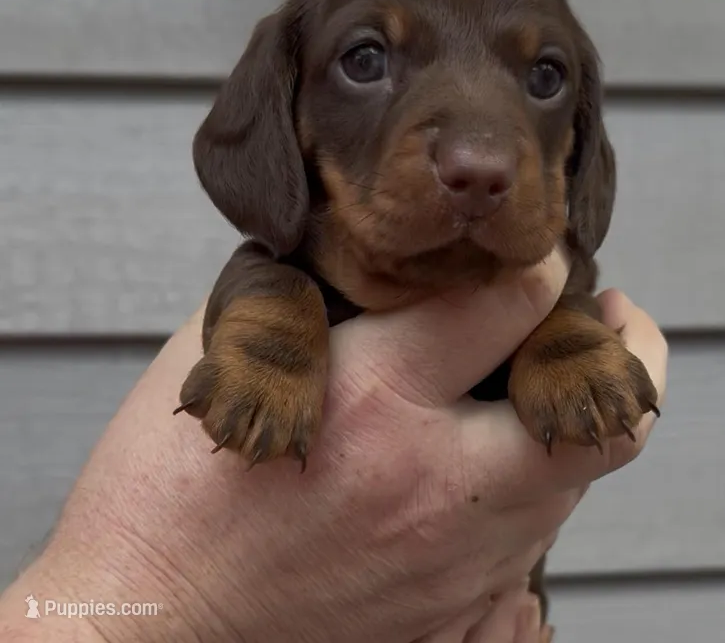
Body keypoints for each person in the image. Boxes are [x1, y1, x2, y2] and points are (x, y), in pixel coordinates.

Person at [0, 247, 667, 642]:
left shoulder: (535, 275)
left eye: (541, 80)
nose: (476, 155)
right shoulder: (284, 277)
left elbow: (566, 306)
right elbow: (264, 270)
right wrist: (153, 601)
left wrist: (567, 341)